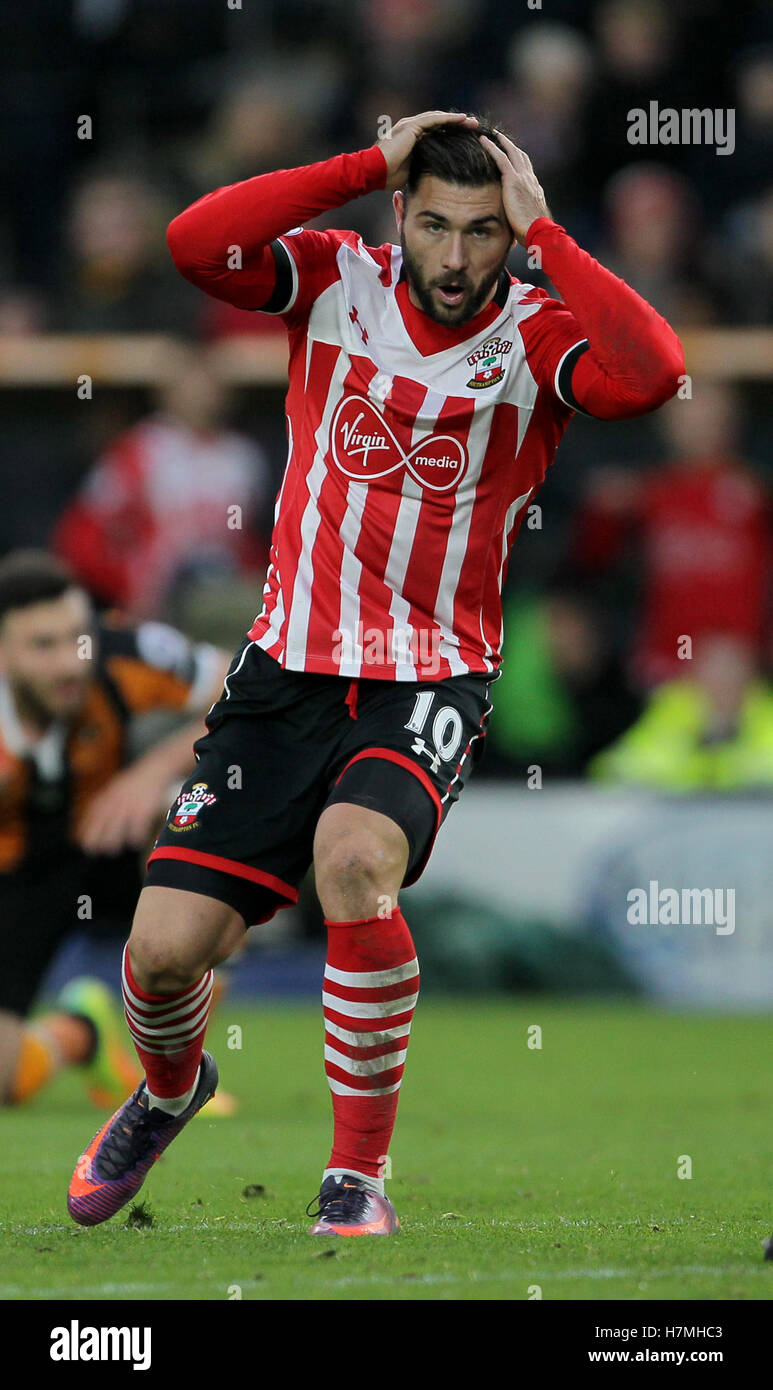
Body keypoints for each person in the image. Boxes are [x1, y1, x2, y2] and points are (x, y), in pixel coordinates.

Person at [67, 110, 683, 1236]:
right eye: (435, 225)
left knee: (355, 864)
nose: (455, 260)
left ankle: (355, 1176)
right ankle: (168, 1090)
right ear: (399, 211)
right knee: (160, 957)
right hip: (286, 670)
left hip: (428, 678)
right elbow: (195, 244)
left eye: (484, 233)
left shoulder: (537, 332)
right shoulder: (333, 280)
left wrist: (551, 242)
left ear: (514, 233)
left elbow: (654, 374)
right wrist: (358, 165)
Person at [0, 550, 230, 1109]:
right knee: (5, 1084)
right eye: (42, 645)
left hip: (118, 836)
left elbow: (247, 686)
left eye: (76, 637)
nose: (69, 663)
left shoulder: (125, 649)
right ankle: (85, 1031)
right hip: (17, 876)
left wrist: (150, 773)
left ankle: (175, 1073)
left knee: (211, 812)